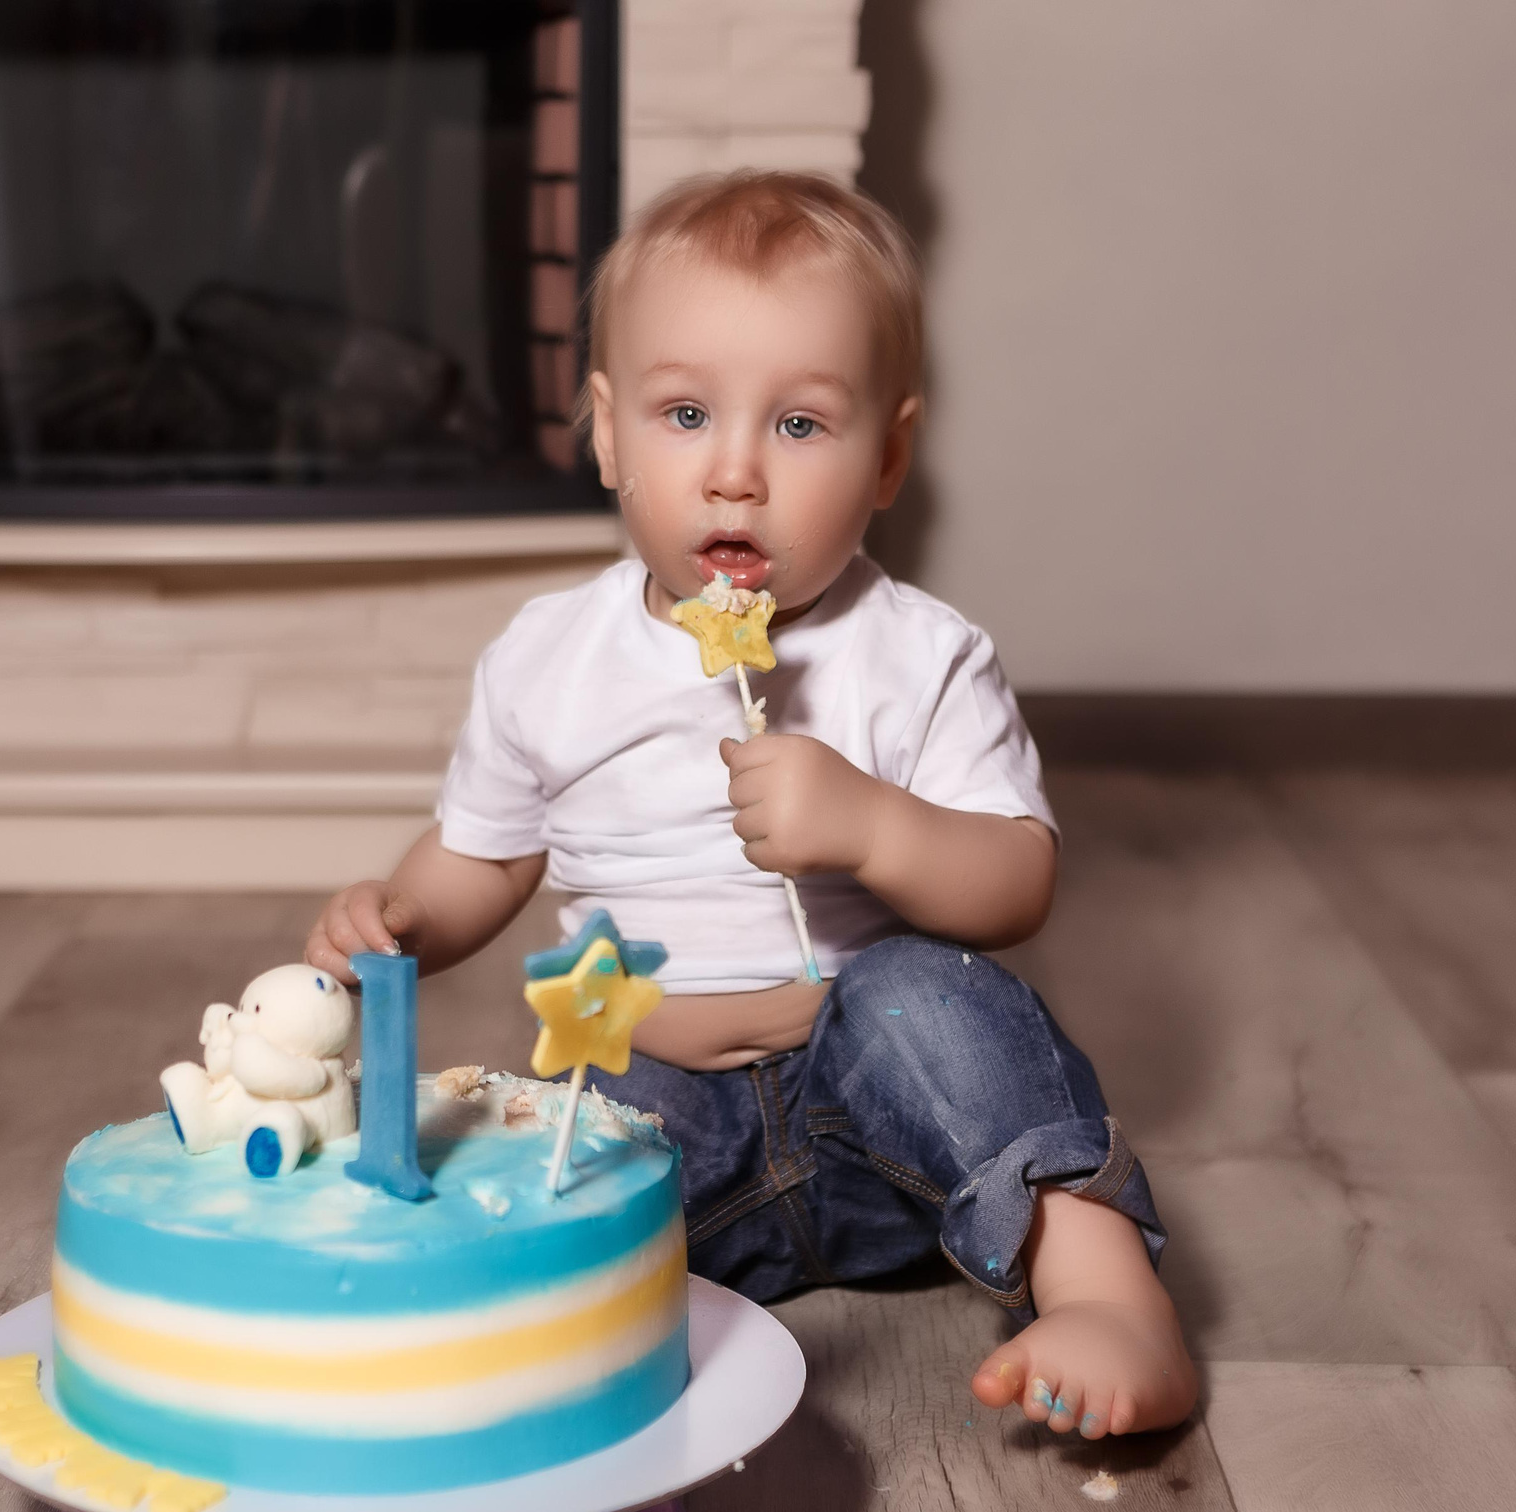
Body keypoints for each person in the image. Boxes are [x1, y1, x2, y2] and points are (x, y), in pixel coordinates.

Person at [307, 171, 1196, 1438]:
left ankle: (1103, 1294)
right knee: (542, 1127)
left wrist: (878, 829)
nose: (733, 474)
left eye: (798, 426)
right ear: (607, 435)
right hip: (673, 1141)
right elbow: (479, 860)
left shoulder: (919, 654)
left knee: (929, 1000)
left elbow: (1015, 883)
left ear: (889, 455)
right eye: (684, 414)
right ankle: (546, 1321)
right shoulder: (549, 659)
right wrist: (397, 918)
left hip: (893, 1131)